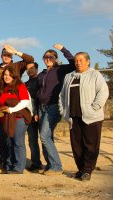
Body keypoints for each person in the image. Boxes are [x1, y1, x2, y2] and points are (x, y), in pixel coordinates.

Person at [59, 52, 109, 181]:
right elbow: (62, 95)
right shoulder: (69, 76)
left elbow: (103, 91)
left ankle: (87, 170)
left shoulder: (95, 74)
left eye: (81, 60)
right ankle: (81, 169)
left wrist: (94, 108)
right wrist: (63, 111)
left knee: (90, 144)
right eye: (76, 60)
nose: (78, 63)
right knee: (76, 145)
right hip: (73, 117)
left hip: (91, 117)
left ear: (88, 61)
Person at [36, 43, 75, 175]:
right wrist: (36, 110)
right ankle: (50, 164)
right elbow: (38, 93)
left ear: (55, 58)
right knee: (47, 137)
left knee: (44, 136)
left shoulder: (60, 70)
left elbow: (74, 63)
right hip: (41, 108)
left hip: (53, 107)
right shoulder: (41, 74)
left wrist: (63, 49)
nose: (48, 58)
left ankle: (57, 166)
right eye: (46, 57)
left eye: (51, 56)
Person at [0, 65, 31, 174]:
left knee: (17, 142)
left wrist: (12, 110)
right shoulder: (4, 88)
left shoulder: (19, 86)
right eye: (5, 75)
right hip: (7, 119)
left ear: (14, 76)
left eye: (9, 75)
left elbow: (25, 101)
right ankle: (10, 164)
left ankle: (19, 167)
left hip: (18, 118)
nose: (7, 77)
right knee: (10, 142)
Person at [24, 62, 43, 172]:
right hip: (30, 116)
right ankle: (36, 163)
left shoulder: (42, 81)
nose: (30, 70)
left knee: (45, 139)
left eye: (32, 68)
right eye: (28, 69)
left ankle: (51, 164)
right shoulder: (25, 84)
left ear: (36, 68)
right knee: (32, 140)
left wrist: (38, 112)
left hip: (42, 113)